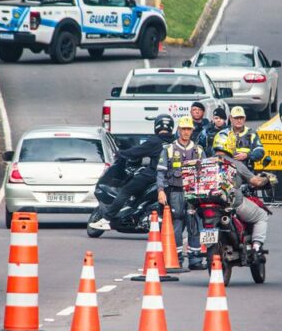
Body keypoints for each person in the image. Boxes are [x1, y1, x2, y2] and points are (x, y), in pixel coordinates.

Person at [89, 115, 175, 231]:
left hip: (153, 175)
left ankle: (107, 219)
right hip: (173, 177)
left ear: (157, 126)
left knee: (126, 191)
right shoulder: (176, 142)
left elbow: (136, 152)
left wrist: (120, 154)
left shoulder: (155, 141)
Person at [211, 130, 270, 263]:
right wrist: (267, 179)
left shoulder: (205, 162)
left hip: (208, 205)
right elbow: (256, 181)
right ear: (230, 145)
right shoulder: (236, 164)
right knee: (262, 215)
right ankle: (256, 247)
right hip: (233, 204)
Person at [157, 116, 206, 269]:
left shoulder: (199, 150)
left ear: (192, 131)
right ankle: (176, 259)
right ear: (178, 130)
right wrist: (160, 191)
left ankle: (195, 259)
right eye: (183, 129)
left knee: (194, 223)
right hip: (175, 192)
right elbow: (160, 173)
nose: (186, 132)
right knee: (177, 224)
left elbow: (205, 172)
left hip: (193, 194)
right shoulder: (169, 149)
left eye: (188, 129)